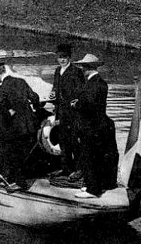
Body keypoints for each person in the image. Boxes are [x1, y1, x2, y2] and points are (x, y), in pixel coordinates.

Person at [71, 54, 119, 199]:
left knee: (90, 157)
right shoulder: (101, 83)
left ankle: (93, 189)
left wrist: (76, 104)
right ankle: (93, 184)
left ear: (87, 68)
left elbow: (90, 105)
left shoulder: (93, 83)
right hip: (99, 125)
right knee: (96, 156)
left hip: (91, 126)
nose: (82, 70)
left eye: (83, 67)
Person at [0, 61, 41, 191]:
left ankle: (19, 183)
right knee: (25, 153)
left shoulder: (3, 87)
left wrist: (9, 113)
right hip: (29, 126)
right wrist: (34, 109)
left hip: (15, 128)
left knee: (13, 155)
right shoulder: (21, 81)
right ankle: (22, 178)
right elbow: (35, 98)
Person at [50, 43, 85, 181]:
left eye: (64, 57)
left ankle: (79, 170)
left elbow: (81, 92)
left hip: (72, 113)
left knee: (74, 142)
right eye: (60, 57)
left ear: (69, 57)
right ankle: (66, 169)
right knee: (63, 141)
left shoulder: (76, 71)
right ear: (57, 58)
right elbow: (55, 88)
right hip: (61, 112)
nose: (62, 60)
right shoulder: (57, 71)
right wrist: (53, 93)